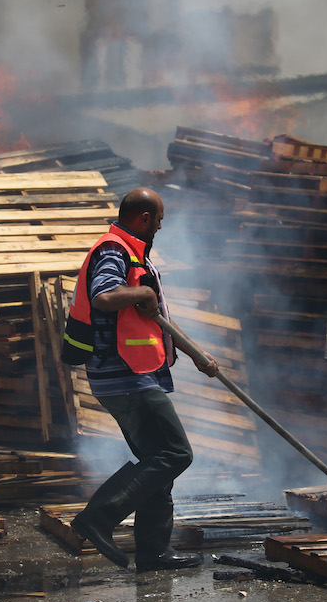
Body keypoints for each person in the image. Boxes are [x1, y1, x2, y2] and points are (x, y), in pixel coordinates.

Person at [62, 187, 219, 571]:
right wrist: (141, 291)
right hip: (126, 376)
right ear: (144, 218)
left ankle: (153, 553)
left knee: (156, 461)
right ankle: (98, 517)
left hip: (138, 374)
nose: (161, 227)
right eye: (159, 220)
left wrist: (197, 354)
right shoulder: (114, 249)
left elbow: (155, 314)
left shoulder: (134, 254)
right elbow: (102, 296)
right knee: (176, 453)